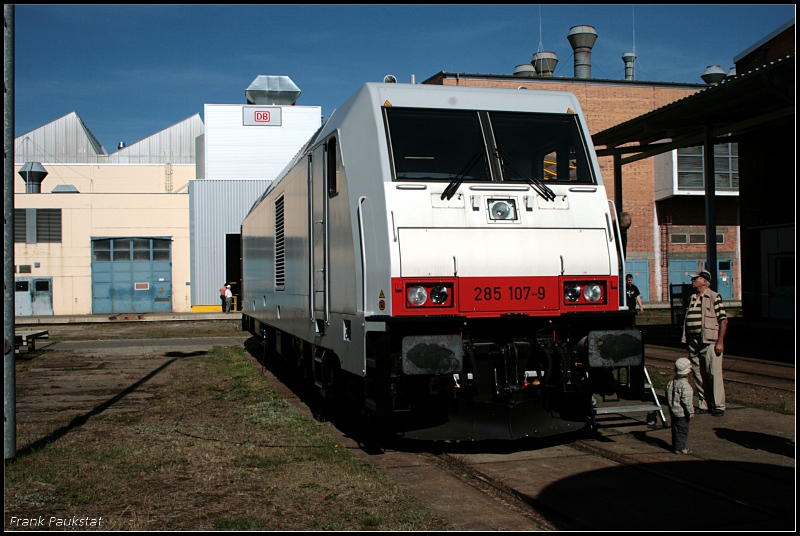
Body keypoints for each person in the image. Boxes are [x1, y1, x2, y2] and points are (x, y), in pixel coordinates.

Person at [681, 269, 728, 417]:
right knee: (698, 373)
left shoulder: (714, 297)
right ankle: (704, 403)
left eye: (696, 278)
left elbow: (723, 320)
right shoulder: (692, 298)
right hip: (693, 341)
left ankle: (718, 405)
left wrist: (720, 342)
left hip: (709, 341)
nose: (692, 280)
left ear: (704, 281)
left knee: (714, 373)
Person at [666, 357, 694, 454]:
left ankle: (676, 445)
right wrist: (691, 411)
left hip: (673, 411)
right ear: (689, 371)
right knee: (682, 431)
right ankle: (680, 448)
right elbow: (687, 401)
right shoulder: (686, 386)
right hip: (682, 413)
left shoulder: (671, 382)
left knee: (675, 429)